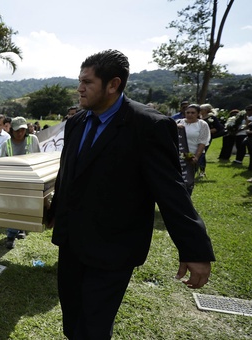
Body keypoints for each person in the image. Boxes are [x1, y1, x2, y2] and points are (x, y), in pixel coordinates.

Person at [47, 50, 214, 339]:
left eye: (87, 82)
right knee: (73, 320)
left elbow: (171, 191)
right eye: (79, 81)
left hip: (113, 248)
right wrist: (54, 213)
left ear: (113, 84)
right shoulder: (76, 123)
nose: (80, 88)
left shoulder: (148, 125)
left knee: (94, 327)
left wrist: (195, 249)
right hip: (72, 243)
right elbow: (68, 175)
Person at [0, 116, 41, 249]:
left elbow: (39, 157)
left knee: (25, 207)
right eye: (17, 130)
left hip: (30, 180)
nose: (20, 133)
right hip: (13, 182)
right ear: (11, 130)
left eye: (23, 130)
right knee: (13, 208)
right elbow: (3, 164)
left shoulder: (33, 140)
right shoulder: (6, 145)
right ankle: (11, 235)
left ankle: (21, 228)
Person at [176, 104, 210, 193]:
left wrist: (196, 157)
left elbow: (202, 142)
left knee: (188, 179)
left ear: (198, 113)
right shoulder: (179, 122)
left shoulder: (202, 124)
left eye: (193, 113)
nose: (190, 115)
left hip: (193, 154)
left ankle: (187, 199)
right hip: (179, 154)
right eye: (188, 112)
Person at [199, 103, 224, 177]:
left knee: (202, 153)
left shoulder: (212, 118)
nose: (199, 110)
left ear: (206, 110)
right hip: (196, 137)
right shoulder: (198, 117)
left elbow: (218, 128)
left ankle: (202, 171)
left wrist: (207, 130)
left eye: (201, 109)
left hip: (206, 138)